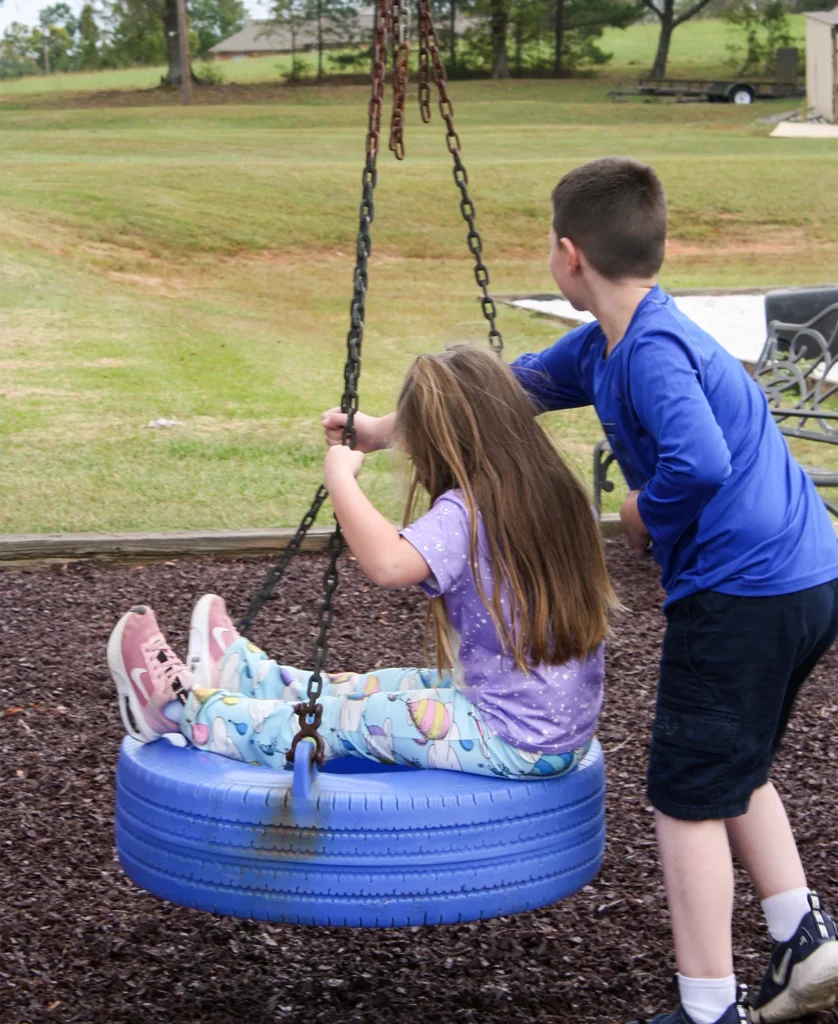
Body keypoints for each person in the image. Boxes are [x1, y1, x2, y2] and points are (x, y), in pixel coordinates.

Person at [328, 158, 838, 1024]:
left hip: (742, 591)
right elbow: (505, 395)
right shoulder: (611, 341)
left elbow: (702, 461)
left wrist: (646, 505)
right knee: (732, 763)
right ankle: (801, 937)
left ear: (568, 256)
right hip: (807, 575)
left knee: (685, 798)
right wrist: (379, 433)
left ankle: (708, 1009)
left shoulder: (649, 354)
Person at [109, 345, 615, 783]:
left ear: (442, 445)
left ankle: (177, 709)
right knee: (388, 685)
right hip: (543, 720)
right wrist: (376, 432)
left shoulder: (471, 510)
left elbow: (388, 564)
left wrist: (341, 478)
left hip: (513, 736)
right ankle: (249, 677)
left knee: (349, 719)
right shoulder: (556, 493)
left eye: (416, 449)